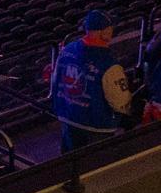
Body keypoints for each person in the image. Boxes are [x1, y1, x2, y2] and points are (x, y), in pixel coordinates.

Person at [50, 10, 133, 152]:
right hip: (97, 125)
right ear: (104, 32)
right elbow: (120, 101)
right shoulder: (108, 63)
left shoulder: (67, 50)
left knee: (69, 162)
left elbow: (55, 81)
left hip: (68, 117)